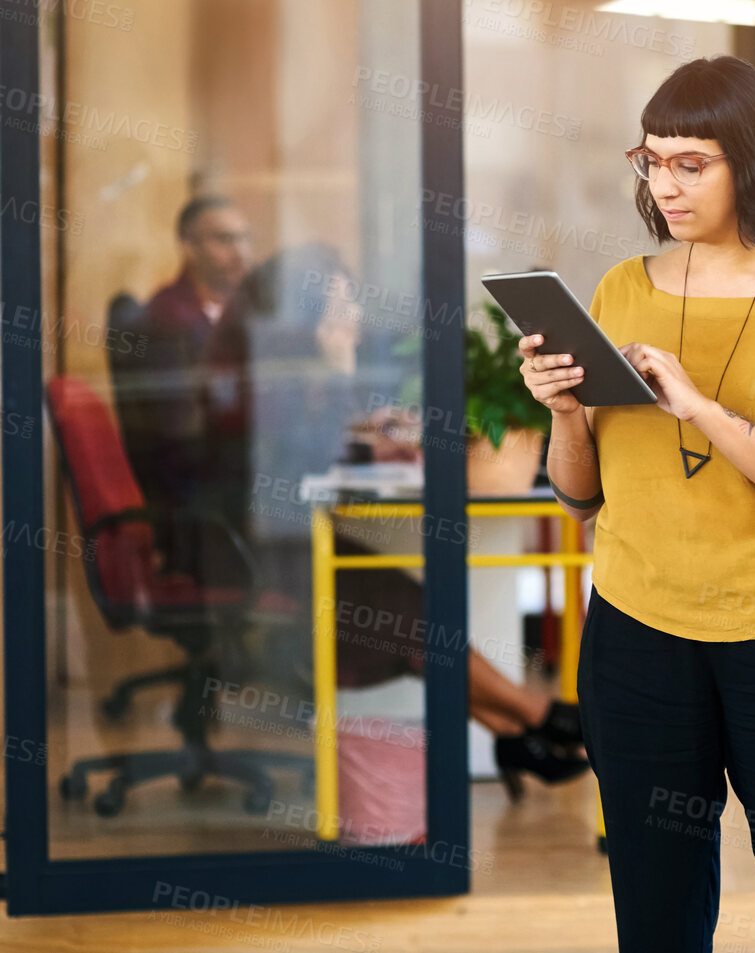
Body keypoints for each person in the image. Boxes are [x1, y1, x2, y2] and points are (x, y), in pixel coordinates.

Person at [518, 55, 755, 951]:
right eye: (651, 160)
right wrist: (564, 412)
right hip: (639, 637)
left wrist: (702, 410)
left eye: (693, 162)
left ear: (751, 162)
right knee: (656, 915)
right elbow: (579, 495)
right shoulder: (619, 290)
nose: (666, 183)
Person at [200, 242, 589, 798]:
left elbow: (308, 454)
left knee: (412, 612)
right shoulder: (267, 377)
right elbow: (299, 467)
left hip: (279, 544)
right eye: (342, 306)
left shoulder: (269, 370)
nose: (355, 315)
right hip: (263, 556)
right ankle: (534, 715)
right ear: (308, 319)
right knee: (414, 621)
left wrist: (365, 435)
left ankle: (513, 727)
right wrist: (339, 372)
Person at [116, 196, 253, 564]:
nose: (240, 252)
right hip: (202, 504)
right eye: (223, 240)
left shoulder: (243, 315)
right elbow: (182, 432)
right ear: (188, 248)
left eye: (245, 239)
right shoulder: (167, 321)